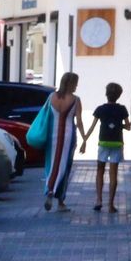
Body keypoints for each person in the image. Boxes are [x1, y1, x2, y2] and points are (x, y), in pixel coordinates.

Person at [42, 72, 88, 213]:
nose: (76, 86)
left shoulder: (52, 97)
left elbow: (46, 116)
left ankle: (50, 188)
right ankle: (60, 200)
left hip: (52, 135)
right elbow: (79, 121)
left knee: (52, 164)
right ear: (70, 84)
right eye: (75, 83)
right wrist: (84, 138)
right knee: (65, 167)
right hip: (68, 136)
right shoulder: (75, 100)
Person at [85, 82, 131, 212]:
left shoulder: (100, 109)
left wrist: (84, 140)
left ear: (106, 94)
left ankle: (99, 199)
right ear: (119, 95)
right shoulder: (122, 109)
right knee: (113, 173)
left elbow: (92, 126)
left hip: (103, 142)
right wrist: (119, 125)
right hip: (117, 143)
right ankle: (111, 204)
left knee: (100, 170)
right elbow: (128, 127)